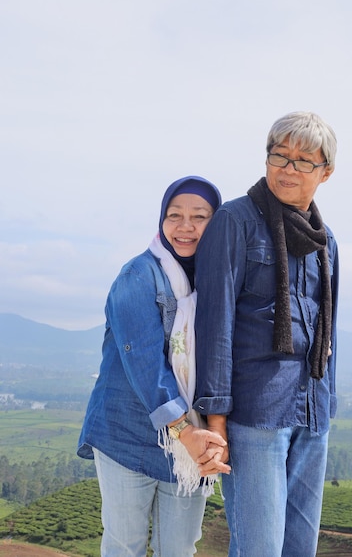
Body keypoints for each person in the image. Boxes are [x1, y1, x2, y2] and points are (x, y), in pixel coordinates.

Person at [193, 112, 339, 557]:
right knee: (259, 549)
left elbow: (328, 329)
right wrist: (215, 416)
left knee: (300, 548)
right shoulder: (235, 221)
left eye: (303, 161)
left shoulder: (324, 240)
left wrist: (327, 405)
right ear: (267, 157)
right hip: (256, 415)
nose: (288, 169)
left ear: (325, 172)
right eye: (280, 155)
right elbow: (215, 322)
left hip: (312, 414)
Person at [77, 175, 230, 557]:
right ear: (161, 220)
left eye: (200, 216)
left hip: (190, 446)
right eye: (174, 215)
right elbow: (143, 359)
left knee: (178, 549)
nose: (185, 226)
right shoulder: (138, 276)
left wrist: (213, 431)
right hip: (127, 435)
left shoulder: (217, 283)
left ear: (217, 223)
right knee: (124, 546)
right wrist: (184, 430)